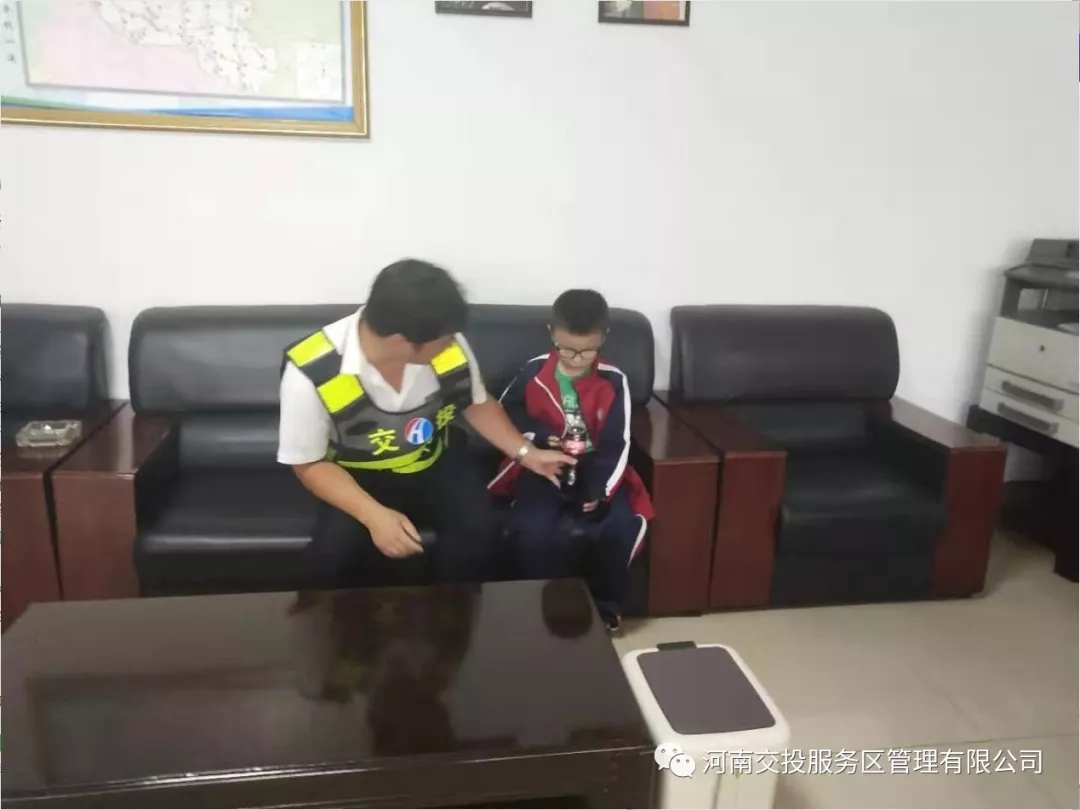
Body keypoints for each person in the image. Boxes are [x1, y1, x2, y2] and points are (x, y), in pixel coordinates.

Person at [278, 259, 573, 589]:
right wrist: (373, 515)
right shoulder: (312, 370)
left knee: (479, 533)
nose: (453, 341)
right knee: (333, 558)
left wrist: (527, 453)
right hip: (356, 474)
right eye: (445, 338)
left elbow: (475, 402)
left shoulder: (445, 345)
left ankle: (454, 617)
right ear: (401, 341)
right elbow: (307, 463)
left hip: (435, 459)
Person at [489, 289, 655, 631]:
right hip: (543, 465)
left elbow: (618, 442)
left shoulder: (614, 380)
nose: (577, 358)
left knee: (621, 525)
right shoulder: (534, 371)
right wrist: (537, 434)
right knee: (532, 530)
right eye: (567, 348)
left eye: (587, 350)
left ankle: (606, 607)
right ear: (552, 333)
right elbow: (506, 411)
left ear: (603, 338)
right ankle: (537, 603)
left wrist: (600, 490)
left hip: (596, 467)